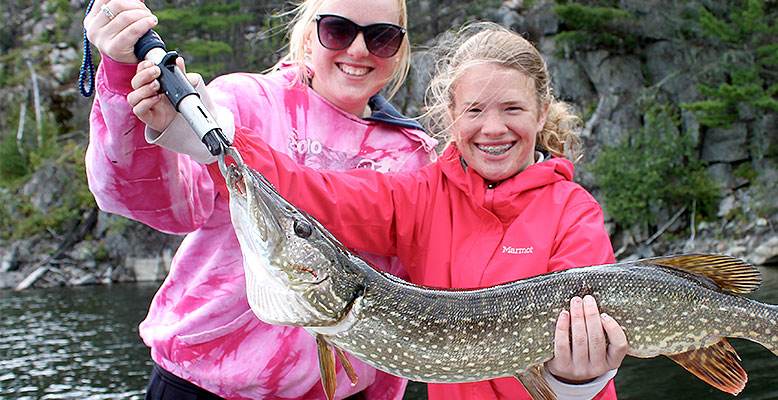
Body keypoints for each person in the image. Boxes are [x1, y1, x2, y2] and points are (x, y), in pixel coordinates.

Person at [134, 22, 629, 399]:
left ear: (541, 113)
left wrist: (575, 379)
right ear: (451, 117)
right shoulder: (420, 197)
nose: (493, 128)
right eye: (475, 110)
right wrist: (213, 140)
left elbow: (589, 349)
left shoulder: (573, 212)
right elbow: (317, 195)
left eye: (513, 109)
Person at [82, 0, 438, 398]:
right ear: (309, 36)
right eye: (338, 30)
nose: (358, 50)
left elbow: (396, 308)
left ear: (400, 49)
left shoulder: (412, 156)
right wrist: (121, 75)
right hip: (199, 385)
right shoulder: (242, 102)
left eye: (381, 37)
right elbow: (161, 206)